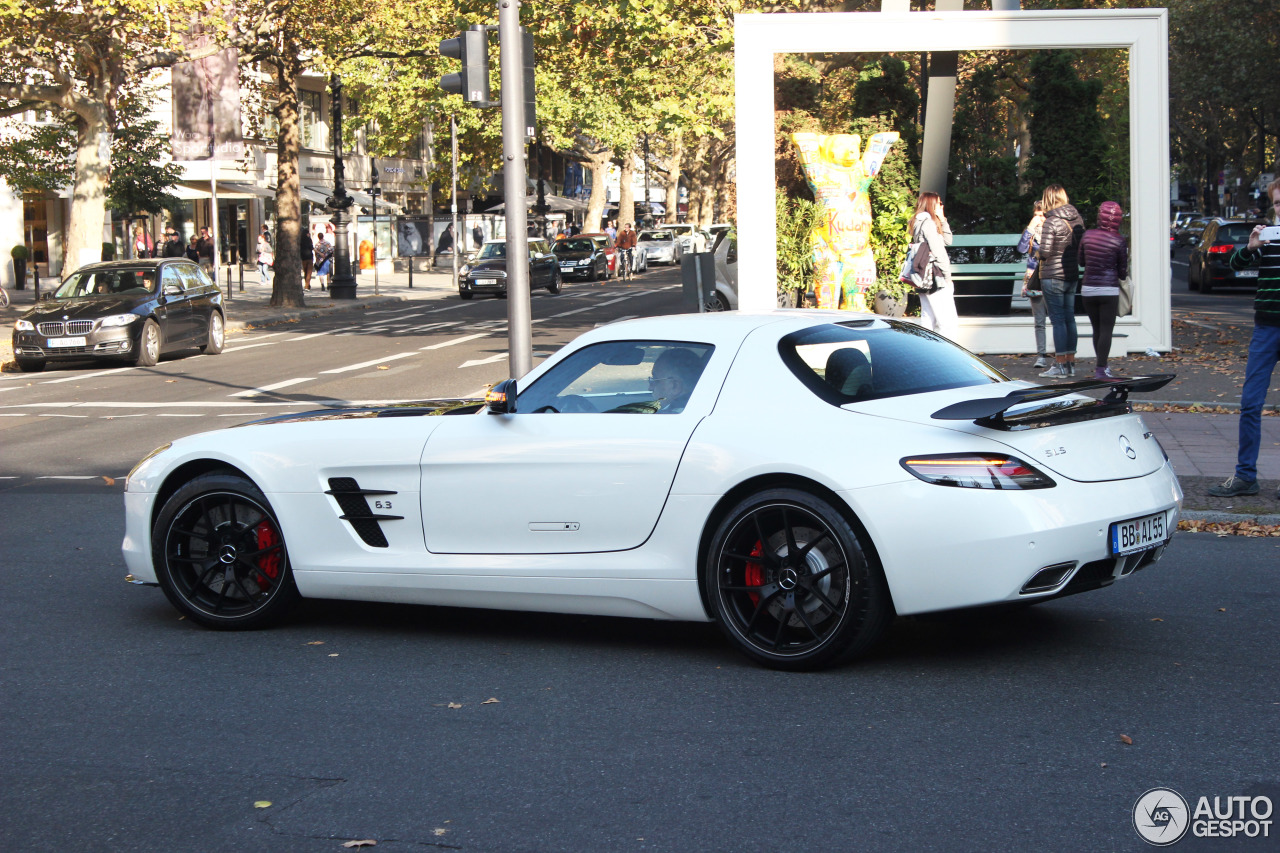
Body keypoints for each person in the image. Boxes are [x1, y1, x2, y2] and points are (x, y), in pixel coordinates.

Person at [1208, 178, 1280, 498]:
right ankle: (1245, 476)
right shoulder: (1266, 237)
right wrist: (1250, 247)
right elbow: (1234, 263)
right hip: (1265, 329)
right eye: (1277, 203)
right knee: (1250, 404)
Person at [1036, 184, 1085, 378]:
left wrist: (1036, 251)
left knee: (1057, 321)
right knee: (1069, 318)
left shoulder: (1051, 221)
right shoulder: (1077, 218)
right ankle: (1070, 364)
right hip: (1071, 274)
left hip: (1052, 275)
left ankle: (1059, 365)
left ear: (1047, 199)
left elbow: (1046, 251)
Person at [1079, 201, 1129, 380]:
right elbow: (1123, 271)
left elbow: (1081, 262)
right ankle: (1101, 368)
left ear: (1100, 216)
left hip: (1088, 289)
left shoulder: (1087, 235)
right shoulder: (1119, 240)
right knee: (1107, 330)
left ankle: (1101, 365)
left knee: (1096, 329)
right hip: (1109, 290)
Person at [909, 191, 957, 338]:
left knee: (927, 318)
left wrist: (942, 219)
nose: (941, 205)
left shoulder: (918, 222)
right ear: (932, 204)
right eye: (939, 203)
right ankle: (945, 356)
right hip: (935, 276)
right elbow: (938, 252)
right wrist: (948, 278)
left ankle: (926, 352)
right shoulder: (928, 224)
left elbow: (947, 240)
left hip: (923, 277)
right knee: (948, 323)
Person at [1017, 201, 1050, 369]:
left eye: (1043, 214)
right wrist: (1030, 227)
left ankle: (1062, 356)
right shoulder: (1030, 233)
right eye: (1037, 215)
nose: (1040, 219)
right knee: (1039, 320)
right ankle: (1041, 355)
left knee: (1058, 318)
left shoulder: (1052, 231)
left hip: (1051, 276)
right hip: (1033, 278)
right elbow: (1021, 249)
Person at [649, 348, 701, 413]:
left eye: (655, 380)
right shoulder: (701, 407)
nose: (650, 388)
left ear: (675, 386)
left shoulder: (668, 417)